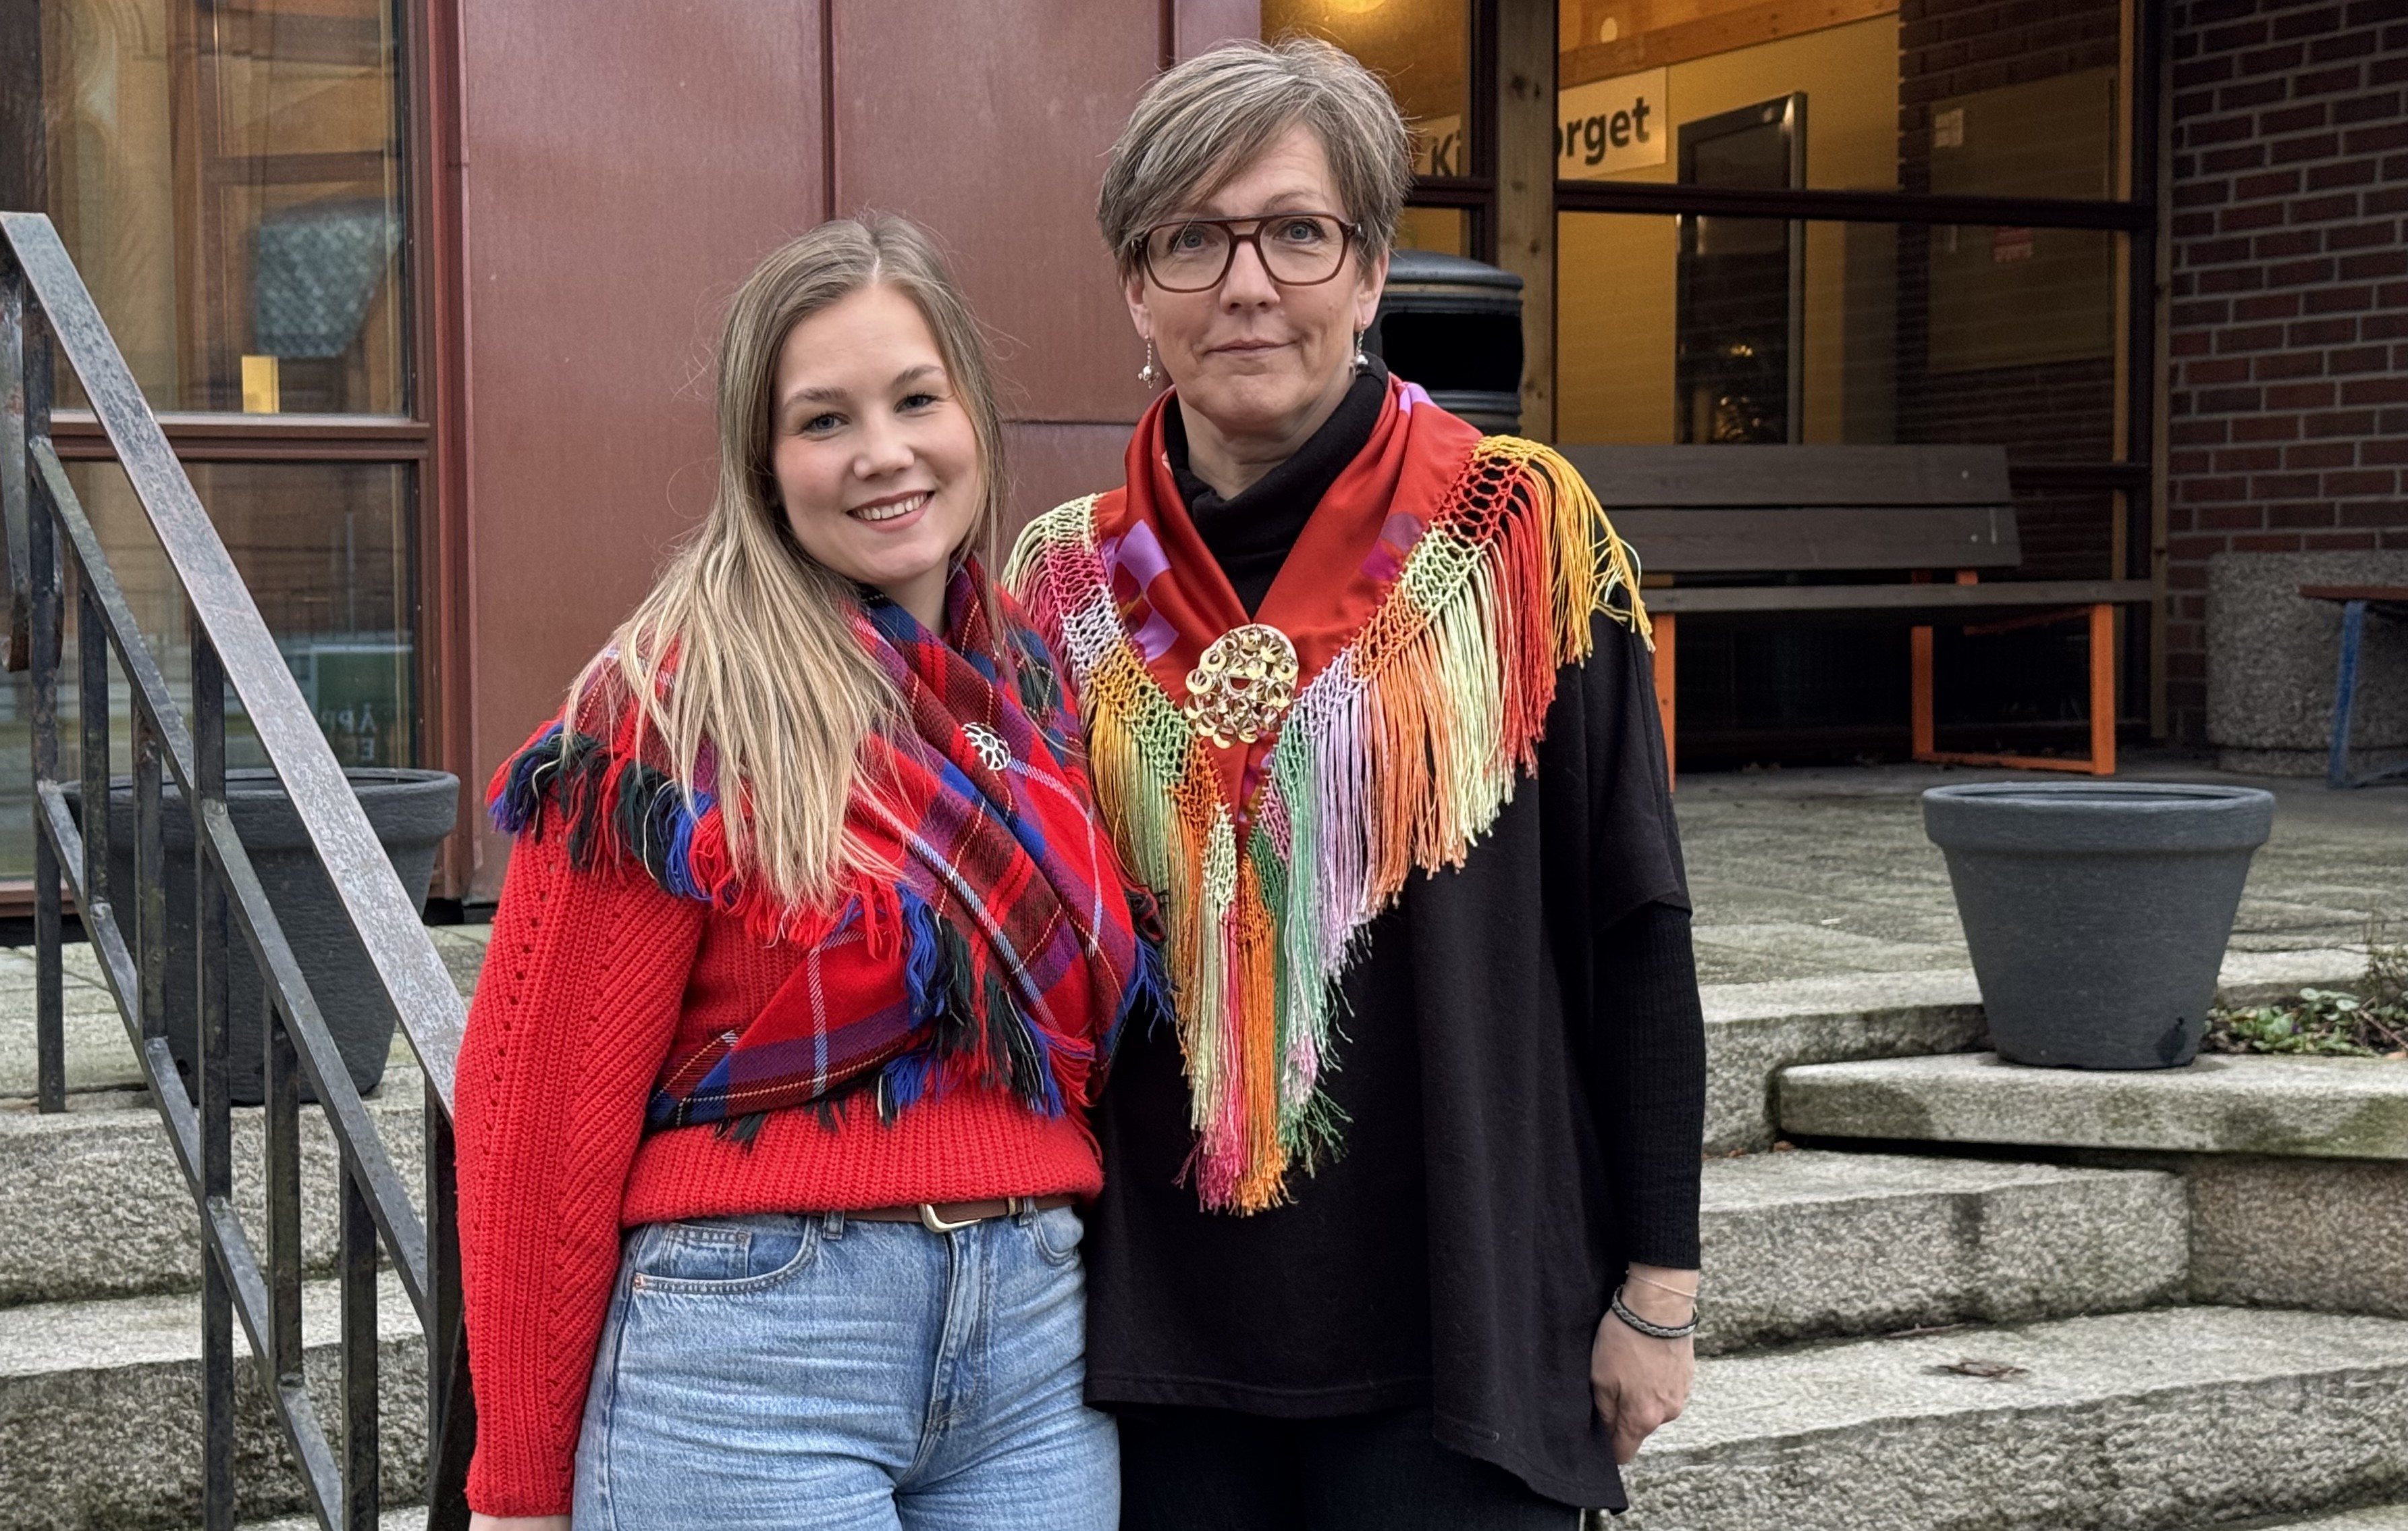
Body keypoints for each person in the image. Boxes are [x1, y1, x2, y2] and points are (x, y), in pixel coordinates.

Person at [1005, 39, 1706, 1530]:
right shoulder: (1060, 587)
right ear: (1137, 291)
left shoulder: (1524, 540)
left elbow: (1634, 921)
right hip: (1154, 1343)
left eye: (1297, 232)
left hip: (1460, 1320)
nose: (1246, 284)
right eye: (1191, 240)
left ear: (1372, 271)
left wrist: (1658, 1290)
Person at [458, 215, 1165, 1531]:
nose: (884, 453)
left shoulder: (1030, 688)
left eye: (916, 400)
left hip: (1033, 1347)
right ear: (765, 464)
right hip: (754, 1351)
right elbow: (538, 1107)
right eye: (825, 420)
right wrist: (518, 1485)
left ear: (974, 414)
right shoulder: (675, 700)